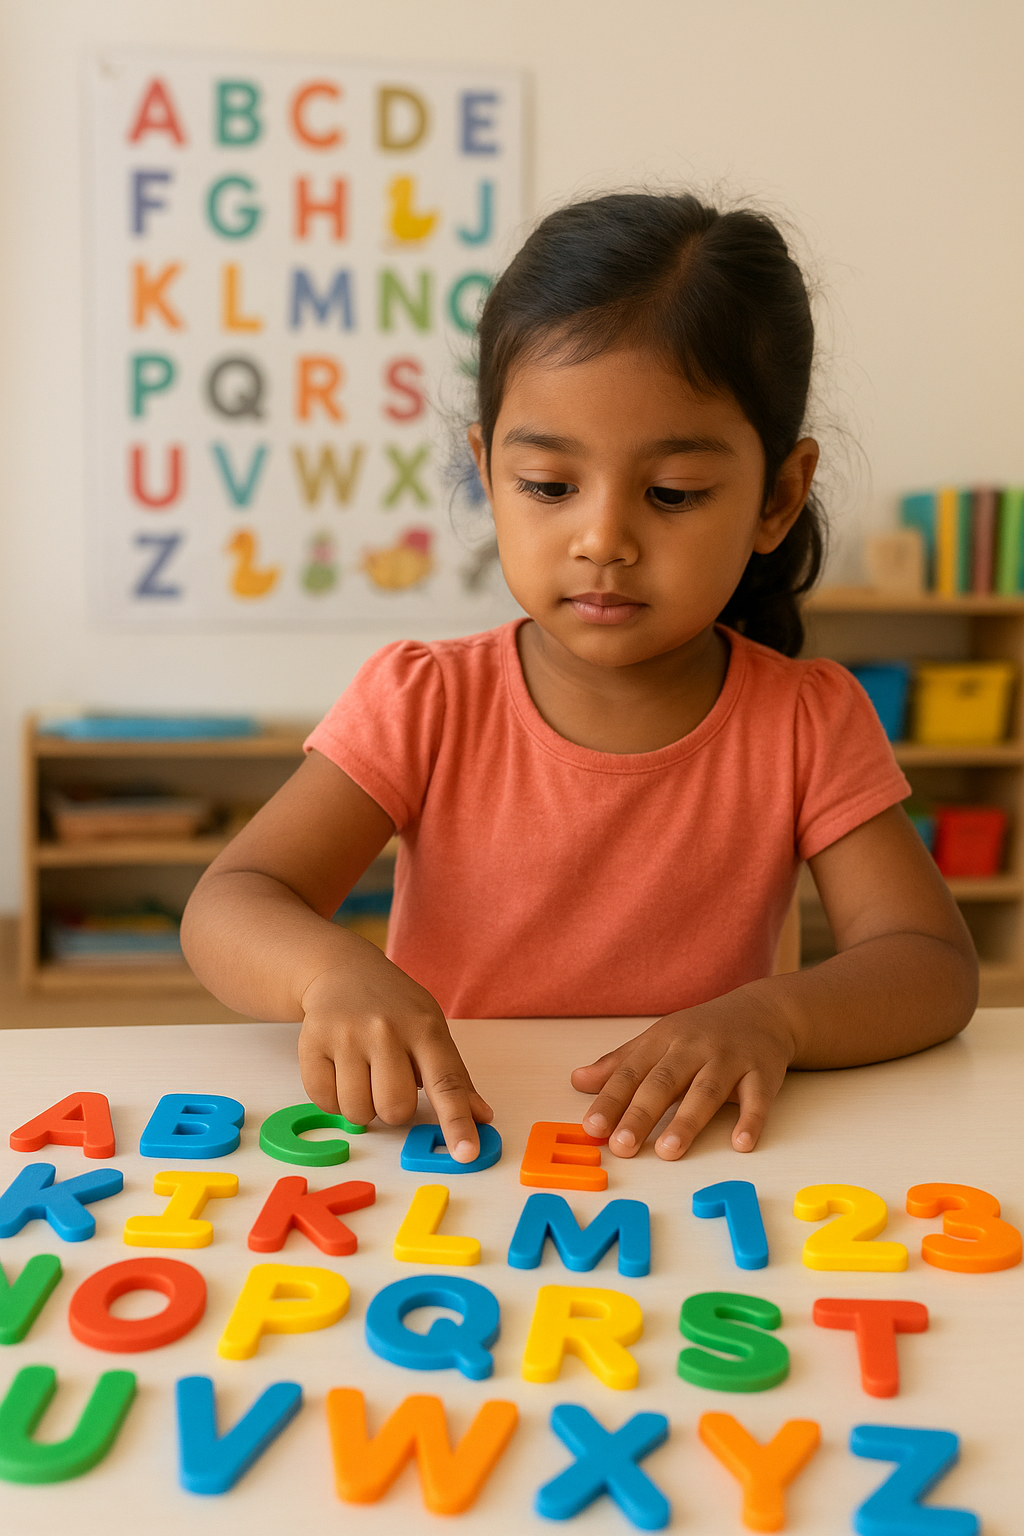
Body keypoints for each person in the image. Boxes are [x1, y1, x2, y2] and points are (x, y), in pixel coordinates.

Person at [181, 192, 978, 1166]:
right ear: (485, 469)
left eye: (672, 494)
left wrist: (777, 1017)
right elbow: (234, 900)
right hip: (455, 1149)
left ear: (776, 497)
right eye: (550, 486)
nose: (602, 539)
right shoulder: (426, 699)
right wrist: (329, 975)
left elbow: (930, 968)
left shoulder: (806, 719)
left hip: (684, 1163)